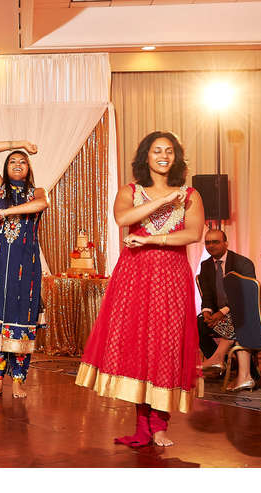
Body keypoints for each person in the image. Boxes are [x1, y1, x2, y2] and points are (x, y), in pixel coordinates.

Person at [76, 131, 205, 447]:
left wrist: (149, 240)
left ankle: (160, 425)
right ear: (145, 156)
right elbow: (123, 218)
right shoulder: (130, 191)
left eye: (170, 151)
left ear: (176, 158)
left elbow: (192, 234)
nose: (164, 155)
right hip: (135, 278)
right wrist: (161, 200)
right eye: (157, 150)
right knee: (139, 345)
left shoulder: (190, 195)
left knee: (166, 345)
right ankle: (143, 425)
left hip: (173, 279)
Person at [0, 141, 48, 398]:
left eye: (22, 161)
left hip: (26, 266)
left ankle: (18, 381)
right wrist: (20, 143)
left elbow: (41, 205)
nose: (17, 164)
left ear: (29, 167)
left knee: (21, 321)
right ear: (5, 167)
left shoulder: (37, 192)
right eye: (13, 161)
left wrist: (6, 213)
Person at [196, 229, 257, 389]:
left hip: (246, 309)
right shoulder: (206, 265)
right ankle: (221, 362)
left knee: (238, 319)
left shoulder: (242, 263)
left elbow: (246, 294)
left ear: (226, 243)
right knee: (197, 323)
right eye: (208, 242)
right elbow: (207, 295)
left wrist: (221, 313)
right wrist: (207, 312)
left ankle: (220, 359)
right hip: (219, 312)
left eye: (215, 242)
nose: (211, 246)